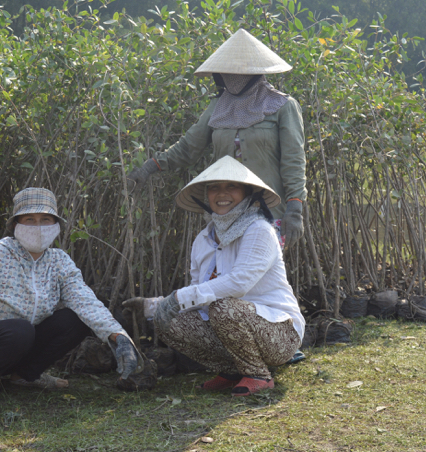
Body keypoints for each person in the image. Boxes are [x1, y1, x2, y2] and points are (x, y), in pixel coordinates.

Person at [127, 28, 307, 364]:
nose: (232, 77)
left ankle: (280, 337)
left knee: (265, 272)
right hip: (228, 207)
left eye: (239, 71)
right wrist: (150, 167)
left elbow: (294, 159)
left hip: (269, 208)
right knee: (230, 273)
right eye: (227, 72)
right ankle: (240, 342)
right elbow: (187, 148)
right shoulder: (217, 109)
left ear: (256, 72)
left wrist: (296, 206)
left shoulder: (282, 106)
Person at [123, 156, 304, 396]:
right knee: (168, 321)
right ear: (206, 195)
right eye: (215, 188)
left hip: (280, 335)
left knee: (223, 308)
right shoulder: (203, 239)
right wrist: (155, 306)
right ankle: (231, 371)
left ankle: (258, 375)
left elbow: (239, 283)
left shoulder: (260, 230)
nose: (222, 194)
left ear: (248, 192)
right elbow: (200, 293)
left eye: (232, 186)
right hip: (234, 323)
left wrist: (179, 297)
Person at [0, 187, 143, 405]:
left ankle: (24, 375)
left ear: (55, 226)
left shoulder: (59, 261)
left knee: (75, 319)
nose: (38, 227)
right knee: (19, 329)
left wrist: (116, 335)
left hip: (22, 344)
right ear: (15, 225)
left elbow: (84, 300)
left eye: (45, 219)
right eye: (30, 220)